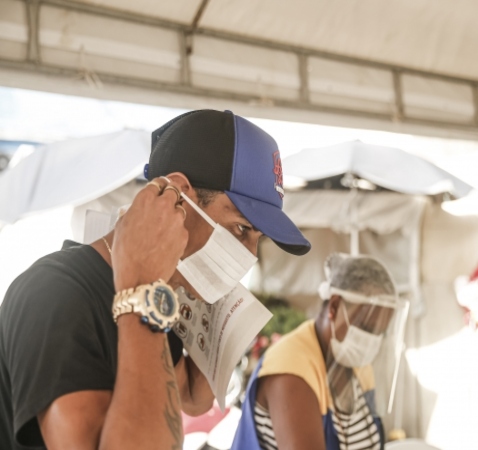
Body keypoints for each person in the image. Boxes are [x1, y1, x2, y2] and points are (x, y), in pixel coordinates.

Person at [0, 109, 311, 450]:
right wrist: (143, 291)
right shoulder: (56, 294)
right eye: (241, 229)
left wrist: (213, 294)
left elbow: (194, 395)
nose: (249, 256)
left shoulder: (162, 295)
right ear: (178, 195)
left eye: (258, 240)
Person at [232, 253, 399, 450]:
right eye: (366, 328)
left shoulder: (355, 365)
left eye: (380, 332)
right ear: (335, 307)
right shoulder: (291, 370)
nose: (373, 341)